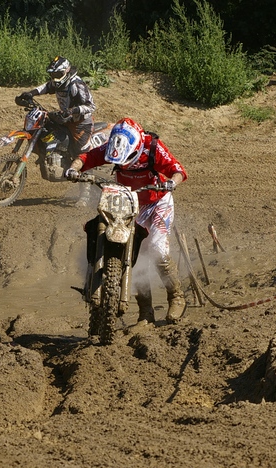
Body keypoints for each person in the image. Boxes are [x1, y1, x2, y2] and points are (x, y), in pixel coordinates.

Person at [65, 117, 188, 324]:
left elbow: (178, 171)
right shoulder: (111, 147)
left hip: (158, 202)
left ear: (136, 147)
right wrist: (73, 169)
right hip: (129, 202)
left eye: (127, 158)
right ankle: (145, 313)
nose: (123, 163)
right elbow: (87, 157)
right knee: (135, 257)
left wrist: (171, 183)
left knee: (157, 250)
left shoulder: (152, 147)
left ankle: (176, 297)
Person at [16, 56, 96, 204]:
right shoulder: (58, 82)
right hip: (65, 118)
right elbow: (47, 87)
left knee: (82, 154)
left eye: (58, 74)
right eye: (52, 74)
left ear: (66, 71)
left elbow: (91, 106)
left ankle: (85, 195)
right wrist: (31, 93)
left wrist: (72, 110)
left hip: (80, 123)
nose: (55, 78)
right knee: (46, 129)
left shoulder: (76, 84)